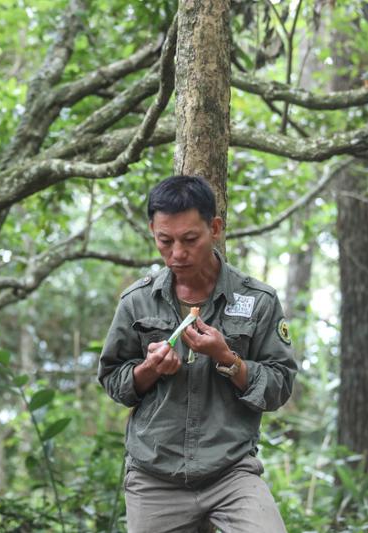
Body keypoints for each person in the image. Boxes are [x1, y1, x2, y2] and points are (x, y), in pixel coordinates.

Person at [97, 175, 297, 532]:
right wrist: (149, 369)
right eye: (165, 241)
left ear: (215, 228)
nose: (177, 253)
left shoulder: (258, 300)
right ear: (152, 232)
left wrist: (228, 359)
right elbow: (113, 378)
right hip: (154, 476)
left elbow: (279, 385)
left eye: (190, 240)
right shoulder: (137, 301)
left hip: (231, 472)